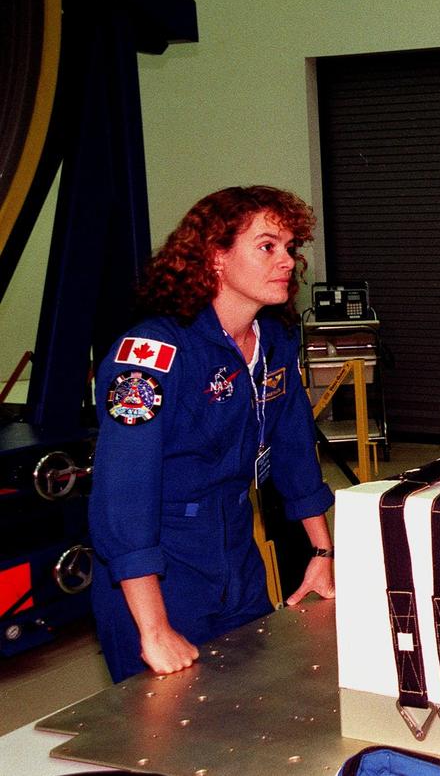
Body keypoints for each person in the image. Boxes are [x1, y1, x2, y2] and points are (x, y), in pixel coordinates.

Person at [89, 186, 336, 683]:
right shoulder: (152, 354)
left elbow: (293, 454)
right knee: (167, 739)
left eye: (290, 247)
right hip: (158, 570)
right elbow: (124, 496)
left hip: (236, 553)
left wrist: (322, 553)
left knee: (257, 704)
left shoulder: (276, 342)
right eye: (268, 246)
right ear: (216, 257)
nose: (286, 260)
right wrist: (155, 628)